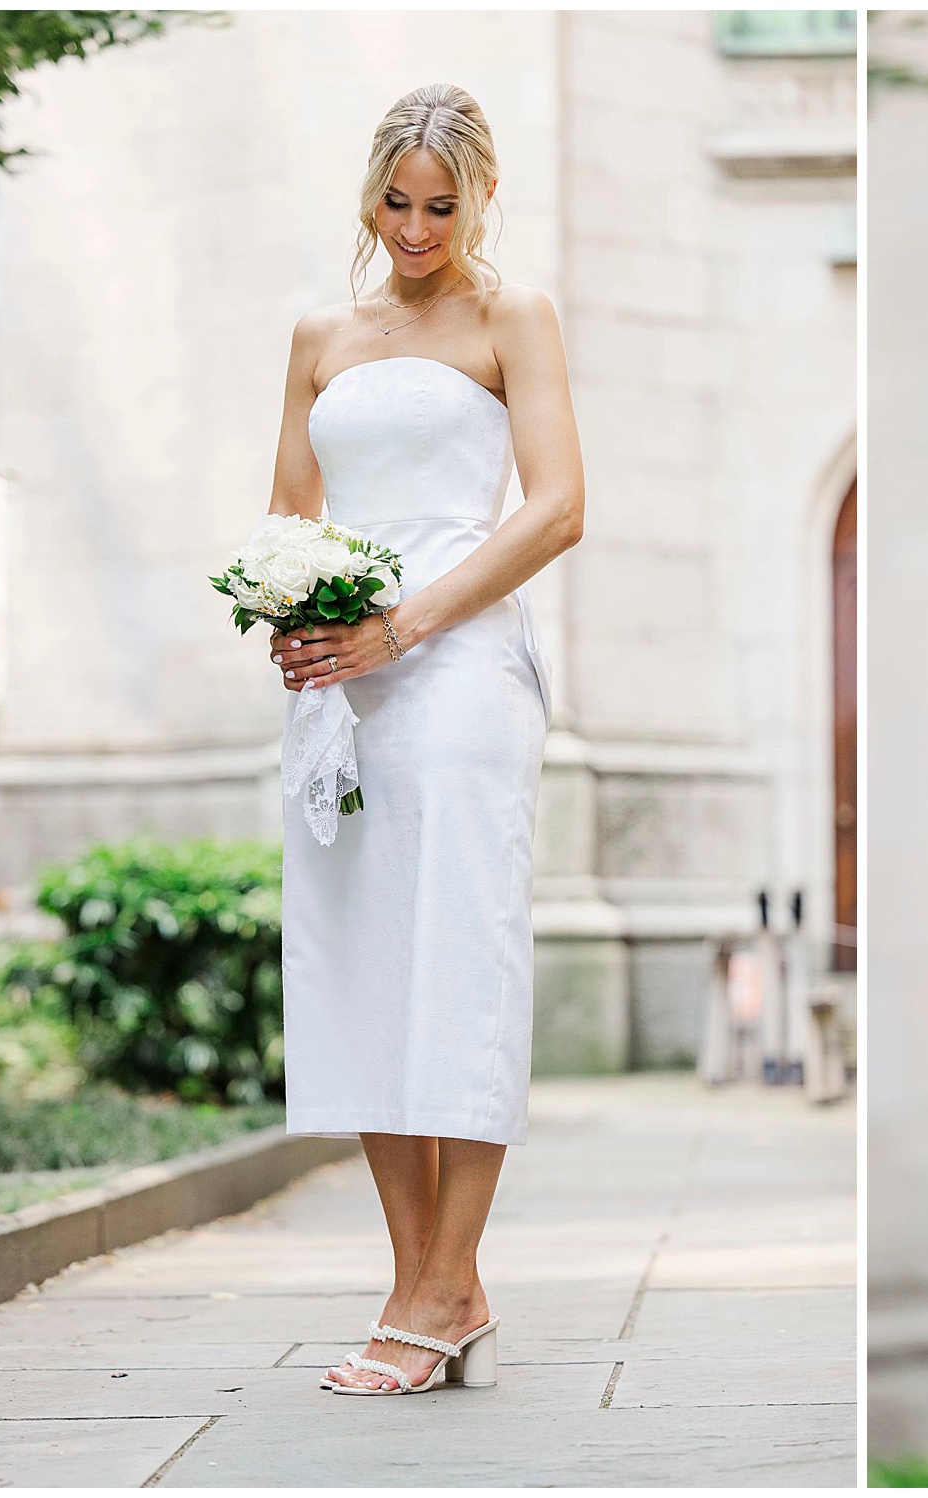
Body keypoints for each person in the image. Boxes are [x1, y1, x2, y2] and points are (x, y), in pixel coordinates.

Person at [262, 83, 584, 1396]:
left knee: (457, 961)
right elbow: (287, 512)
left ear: (482, 198)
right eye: (395, 202)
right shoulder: (320, 333)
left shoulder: (515, 317)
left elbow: (559, 507)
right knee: (360, 969)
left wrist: (409, 624)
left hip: (456, 671)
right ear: (369, 194)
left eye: (441, 205)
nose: (414, 227)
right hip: (338, 683)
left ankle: (449, 1279)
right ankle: (422, 1282)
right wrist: (293, 625)